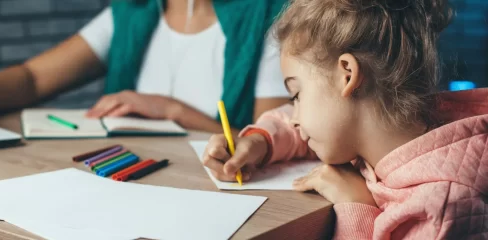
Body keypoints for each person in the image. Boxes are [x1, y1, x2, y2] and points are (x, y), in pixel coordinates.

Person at [201, 0, 488, 238]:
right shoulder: (396, 133)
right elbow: (299, 123)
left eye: (297, 94)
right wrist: (259, 142)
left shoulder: (439, 210)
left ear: (347, 75)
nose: (296, 117)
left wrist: (356, 207)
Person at [0, 0, 290, 133]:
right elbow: (34, 78)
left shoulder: (271, 19)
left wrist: (171, 110)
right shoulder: (132, 12)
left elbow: (269, 143)